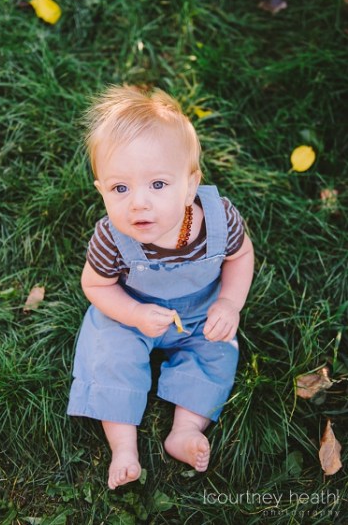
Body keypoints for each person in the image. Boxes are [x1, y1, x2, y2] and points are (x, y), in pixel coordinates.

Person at [67, 85, 255, 489]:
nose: (138, 203)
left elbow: (240, 257)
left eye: (157, 185)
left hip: (201, 309)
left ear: (190, 185)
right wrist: (133, 313)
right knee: (108, 351)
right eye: (120, 188)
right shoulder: (110, 239)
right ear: (102, 191)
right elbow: (96, 286)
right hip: (131, 309)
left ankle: (185, 430)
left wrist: (229, 303)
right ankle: (123, 447)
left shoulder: (219, 220)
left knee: (218, 352)